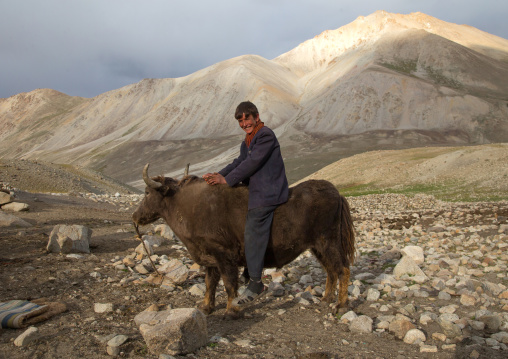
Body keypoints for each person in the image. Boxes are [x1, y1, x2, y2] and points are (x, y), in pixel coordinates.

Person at [203, 101, 289, 305]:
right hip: (256, 188)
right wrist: (219, 174)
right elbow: (239, 161)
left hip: (269, 190)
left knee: (253, 227)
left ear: (256, 117)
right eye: (240, 120)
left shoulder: (265, 135)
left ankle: (256, 282)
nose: (244, 123)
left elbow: (252, 163)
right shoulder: (249, 139)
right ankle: (249, 270)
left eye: (247, 118)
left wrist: (227, 181)